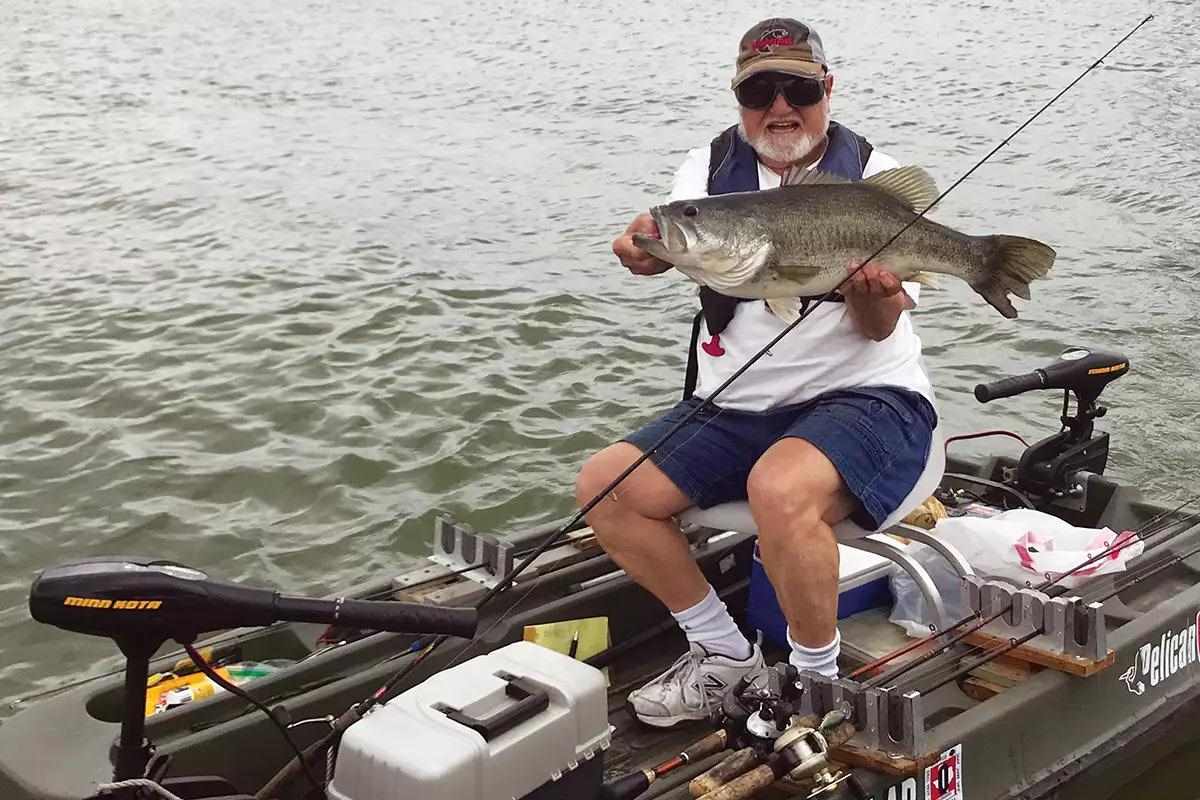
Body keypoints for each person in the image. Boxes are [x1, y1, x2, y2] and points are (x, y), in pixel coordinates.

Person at [574, 18, 939, 727]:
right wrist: (645, 250)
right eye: (759, 90)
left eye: (798, 88)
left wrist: (877, 298)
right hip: (737, 404)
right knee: (604, 489)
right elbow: (661, 236)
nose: (779, 108)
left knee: (780, 486)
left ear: (827, 89)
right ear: (738, 98)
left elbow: (879, 327)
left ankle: (814, 685)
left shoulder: (873, 180)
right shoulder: (706, 173)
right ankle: (725, 656)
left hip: (870, 399)